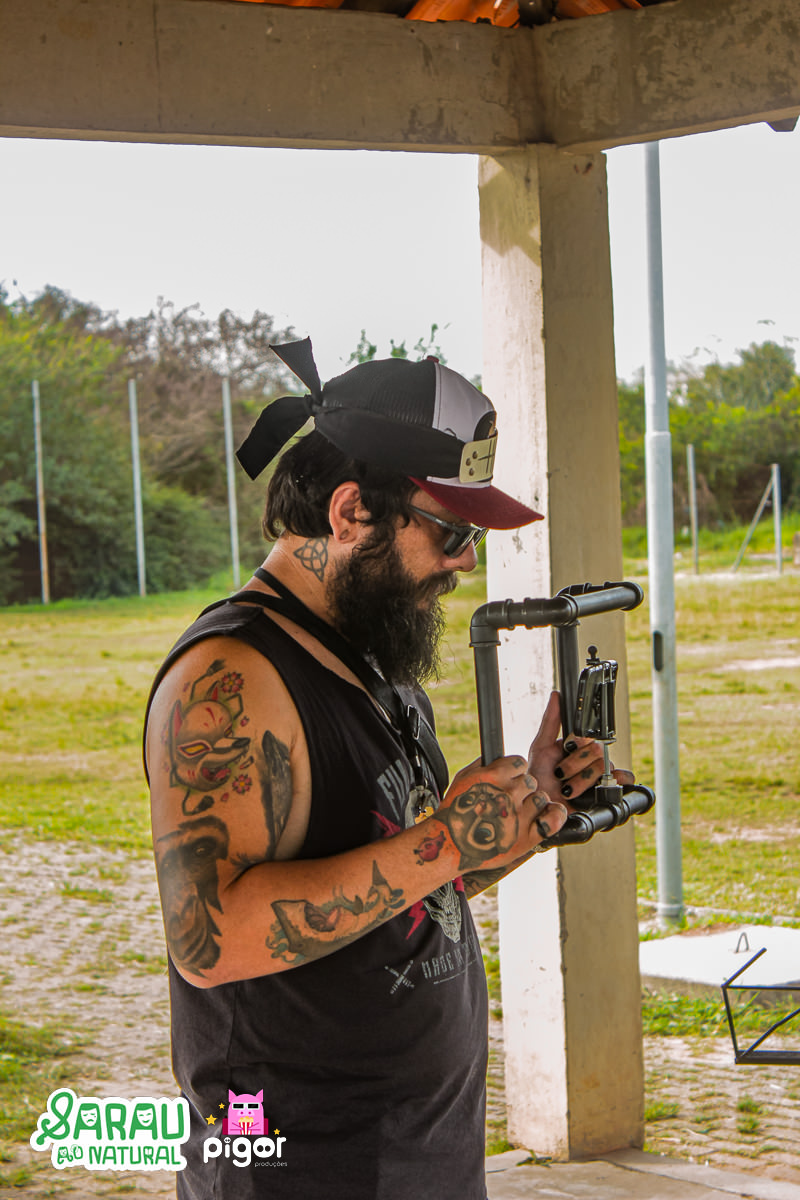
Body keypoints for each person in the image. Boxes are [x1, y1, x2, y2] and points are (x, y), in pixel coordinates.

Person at [144, 339, 631, 1200]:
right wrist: (444, 842)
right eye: (450, 531)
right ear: (348, 514)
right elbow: (207, 940)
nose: (466, 561)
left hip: (415, 1154)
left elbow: (393, 895)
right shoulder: (232, 677)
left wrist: (520, 818)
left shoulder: (374, 661)